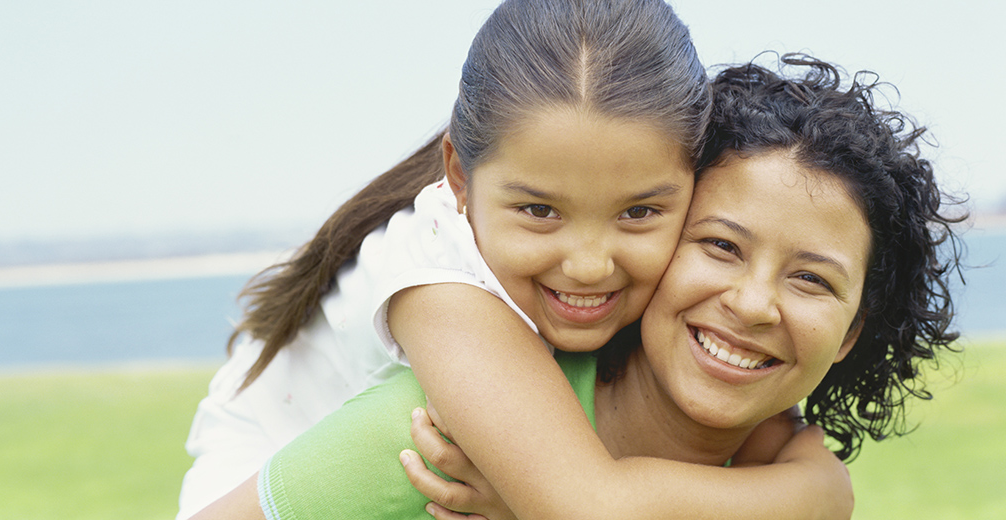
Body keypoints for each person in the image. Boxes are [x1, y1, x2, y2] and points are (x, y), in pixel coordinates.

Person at [189, 54, 964, 520]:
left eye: (811, 280)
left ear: (855, 328)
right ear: (665, 246)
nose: (755, 303)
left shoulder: (761, 459)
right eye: (721, 246)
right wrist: (819, 498)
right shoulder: (439, 432)